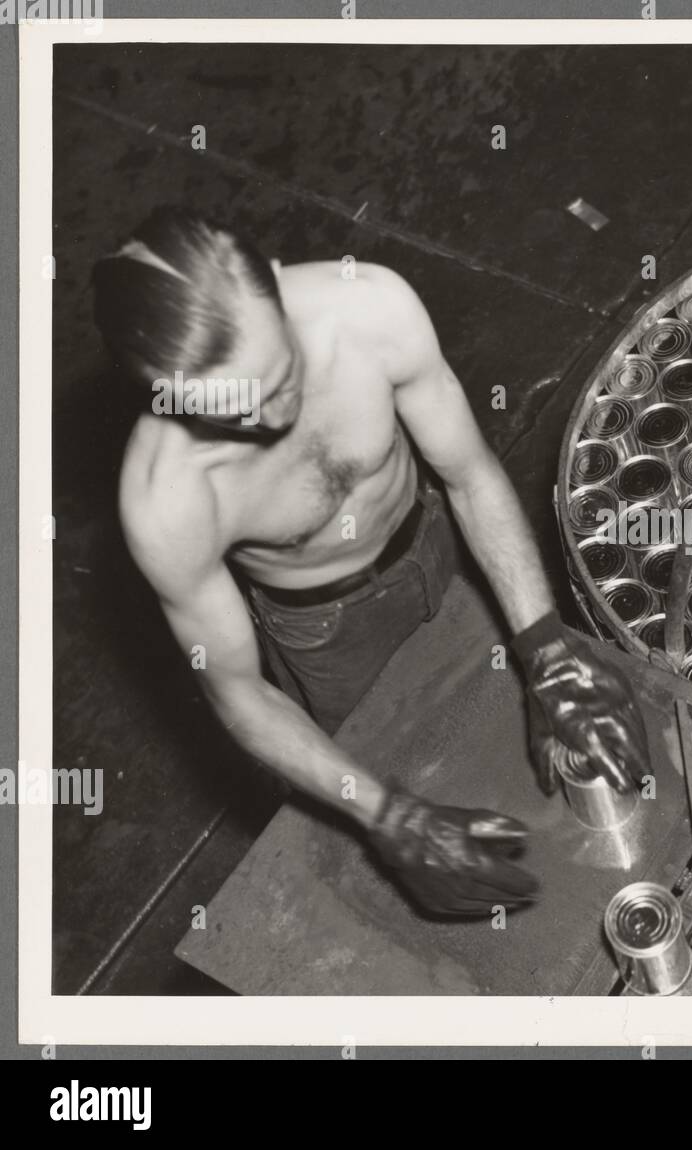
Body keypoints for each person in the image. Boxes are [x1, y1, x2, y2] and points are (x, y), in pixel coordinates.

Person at [92, 208, 652, 919]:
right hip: (326, 629)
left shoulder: (371, 308)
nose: (271, 418)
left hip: (440, 537)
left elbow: (471, 476)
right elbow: (237, 692)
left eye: (280, 375)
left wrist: (545, 648)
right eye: (230, 413)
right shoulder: (168, 501)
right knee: (415, 767)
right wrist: (388, 817)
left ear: (273, 281)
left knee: (523, 718)